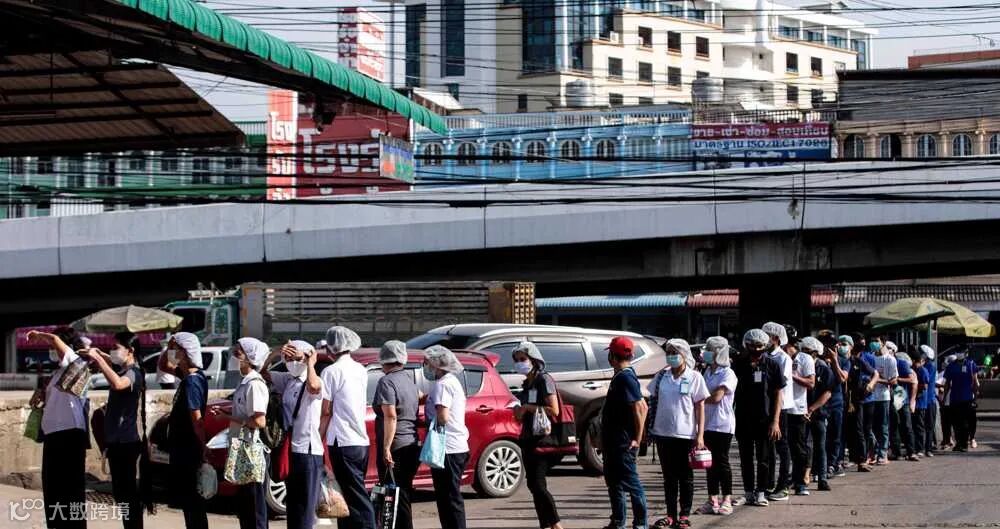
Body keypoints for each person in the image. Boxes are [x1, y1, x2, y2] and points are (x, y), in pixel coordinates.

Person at [85, 332, 151, 529]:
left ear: (130, 351)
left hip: (126, 444)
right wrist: (99, 354)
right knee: (122, 495)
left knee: (128, 495)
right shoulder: (124, 369)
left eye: (116, 348)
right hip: (117, 443)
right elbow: (112, 364)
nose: (112, 352)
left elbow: (118, 384)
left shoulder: (133, 373)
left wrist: (99, 359)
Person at [26, 328, 91, 529]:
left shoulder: (76, 362)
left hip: (70, 434)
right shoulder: (57, 373)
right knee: (53, 488)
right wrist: (41, 395)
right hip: (53, 435)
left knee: (70, 490)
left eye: (54, 346)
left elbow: (55, 339)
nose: (51, 349)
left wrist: (39, 335)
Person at [262, 340, 324, 529]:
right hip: (290, 450)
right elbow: (262, 373)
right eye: (287, 359)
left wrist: (310, 362)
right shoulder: (288, 380)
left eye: (296, 359)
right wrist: (275, 353)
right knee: (294, 506)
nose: (292, 363)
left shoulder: (313, 379)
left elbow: (314, 386)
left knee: (305, 508)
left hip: (308, 451)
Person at [647, 339, 708, 529]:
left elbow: (700, 407)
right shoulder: (661, 376)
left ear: (684, 355)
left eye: (675, 353)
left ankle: (684, 514)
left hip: (686, 435)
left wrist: (700, 435)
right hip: (663, 433)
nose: (671, 356)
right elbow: (651, 399)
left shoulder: (694, 377)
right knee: (669, 478)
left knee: (685, 477)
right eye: (669, 352)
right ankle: (671, 514)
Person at [319, 327, 375, 529]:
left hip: (342, 441)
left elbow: (326, 410)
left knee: (356, 496)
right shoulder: (360, 369)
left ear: (331, 348)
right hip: (360, 440)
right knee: (349, 495)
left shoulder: (330, 372)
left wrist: (318, 437)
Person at [211, 338, 270, 529]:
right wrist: (227, 413)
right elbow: (244, 413)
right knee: (245, 507)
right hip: (241, 448)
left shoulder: (254, 384)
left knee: (254, 507)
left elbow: (259, 421)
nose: (234, 357)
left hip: (251, 450)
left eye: (238, 353)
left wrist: (231, 418)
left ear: (250, 358)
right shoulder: (244, 382)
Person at [511, 342, 564, 529]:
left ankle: (556, 524)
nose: (520, 363)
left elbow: (554, 410)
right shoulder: (527, 383)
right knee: (533, 485)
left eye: (523, 359)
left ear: (533, 359)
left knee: (539, 485)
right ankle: (545, 524)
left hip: (543, 439)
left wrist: (528, 407)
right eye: (517, 360)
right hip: (528, 438)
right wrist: (519, 411)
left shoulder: (543, 379)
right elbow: (524, 412)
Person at [162, 332, 209, 529]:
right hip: (183, 448)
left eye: (175, 349)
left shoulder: (192, 381)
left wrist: (203, 448)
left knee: (192, 502)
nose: (171, 352)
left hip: (188, 449)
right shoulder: (188, 376)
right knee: (188, 502)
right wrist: (169, 347)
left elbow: (197, 420)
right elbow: (164, 366)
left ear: (186, 352)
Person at [732, 329, 784, 508]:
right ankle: (748, 492)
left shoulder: (773, 364)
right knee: (745, 458)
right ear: (746, 345)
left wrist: (775, 421)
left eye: (759, 346)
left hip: (765, 418)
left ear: (765, 345)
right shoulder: (738, 364)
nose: (755, 349)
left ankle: (761, 491)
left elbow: (778, 394)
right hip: (743, 417)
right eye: (752, 346)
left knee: (764, 458)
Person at [372, 341, 420, 529]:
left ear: (384, 359)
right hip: (411, 443)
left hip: (396, 446)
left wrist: (386, 448)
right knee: (403, 494)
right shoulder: (408, 380)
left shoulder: (386, 382)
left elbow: (390, 416)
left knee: (394, 497)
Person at [601, 336, 648, 529]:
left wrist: (637, 438)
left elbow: (641, 407)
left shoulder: (626, 378)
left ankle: (641, 524)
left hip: (623, 442)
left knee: (631, 483)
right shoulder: (621, 376)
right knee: (614, 483)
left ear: (612, 356)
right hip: (612, 441)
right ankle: (618, 521)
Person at [423, 345, 470, 529]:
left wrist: (428, 421)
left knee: (449, 497)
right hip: (455, 446)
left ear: (436, 364)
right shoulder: (450, 382)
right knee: (446, 496)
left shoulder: (443, 384)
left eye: (427, 363)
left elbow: (443, 417)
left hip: (448, 447)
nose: (425, 367)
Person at [696, 337, 738, 516]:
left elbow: (717, 397)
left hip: (722, 424)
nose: (706, 353)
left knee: (722, 462)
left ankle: (726, 498)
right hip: (707, 423)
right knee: (709, 463)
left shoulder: (728, 373)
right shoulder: (707, 371)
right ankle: (712, 499)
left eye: (710, 350)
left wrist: (699, 400)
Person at [761, 322, 793, 502]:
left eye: (766, 336)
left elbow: (780, 385)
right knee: (768, 448)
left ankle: (783, 486)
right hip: (766, 406)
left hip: (780, 407)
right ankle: (768, 483)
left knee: (782, 446)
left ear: (776, 338)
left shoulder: (784, 358)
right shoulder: (764, 356)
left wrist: (776, 418)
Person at [801, 337, 834, 492]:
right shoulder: (800, 366)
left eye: (807, 351)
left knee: (820, 446)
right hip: (802, 412)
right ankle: (803, 476)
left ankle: (822, 478)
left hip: (819, 413)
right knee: (805, 446)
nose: (804, 354)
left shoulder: (824, 368)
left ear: (815, 353)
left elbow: (827, 393)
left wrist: (812, 409)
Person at [845, 335, 879, 472]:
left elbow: (875, 374)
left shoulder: (862, 360)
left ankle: (865, 458)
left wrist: (870, 385)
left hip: (864, 399)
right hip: (850, 400)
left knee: (865, 429)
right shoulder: (843, 360)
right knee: (855, 430)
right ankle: (858, 458)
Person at [787, 336, 816, 496]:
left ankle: (800, 482)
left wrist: (793, 376)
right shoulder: (778, 357)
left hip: (797, 409)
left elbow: (811, 383)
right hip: (781, 408)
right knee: (784, 449)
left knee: (799, 448)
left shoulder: (805, 359)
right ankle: (785, 481)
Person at [819, 332, 849, 479]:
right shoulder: (818, 361)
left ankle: (833, 463)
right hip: (821, 402)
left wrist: (835, 361)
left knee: (835, 434)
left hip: (836, 402)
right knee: (821, 436)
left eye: (834, 345)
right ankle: (820, 466)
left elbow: (842, 378)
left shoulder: (843, 361)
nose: (833, 348)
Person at [867, 337, 897, 465]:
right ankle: (872, 452)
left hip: (883, 397)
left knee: (883, 426)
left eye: (877, 341)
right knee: (870, 426)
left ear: (883, 343)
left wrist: (877, 379)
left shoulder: (890, 359)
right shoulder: (870, 357)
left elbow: (893, 381)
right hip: (870, 397)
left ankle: (883, 454)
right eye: (872, 340)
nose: (874, 343)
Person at [943, 348, 980, 452]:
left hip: (967, 398)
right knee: (956, 423)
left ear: (966, 353)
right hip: (954, 398)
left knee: (965, 423)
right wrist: (945, 397)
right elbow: (947, 383)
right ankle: (959, 443)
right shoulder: (951, 366)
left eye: (962, 352)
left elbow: (975, 382)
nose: (959, 354)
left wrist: (975, 398)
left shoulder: (971, 365)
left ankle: (964, 444)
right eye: (958, 352)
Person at [888, 345, 919, 462]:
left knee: (906, 425)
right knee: (894, 426)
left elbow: (912, 379)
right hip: (889, 397)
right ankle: (896, 452)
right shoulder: (884, 362)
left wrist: (898, 379)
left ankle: (911, 452)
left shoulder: (901, 363)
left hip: (901, 395)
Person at [919, 345, 938, 457]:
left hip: (929, 400)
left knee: (929, 426)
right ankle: (921, 448)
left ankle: (928, 448)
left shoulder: (930, 366)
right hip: (923, 400)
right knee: (921, 426)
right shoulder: (923, 365)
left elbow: (925, 380)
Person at [911, 349, 930, 457]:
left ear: (914, 360)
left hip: (920, 403)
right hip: (914, 402)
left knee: (919, 426)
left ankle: (920, 448)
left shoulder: (922, 370)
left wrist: (915, 387)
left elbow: (925, 386)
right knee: (914, 426)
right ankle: (915, 448)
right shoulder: (914, 369)